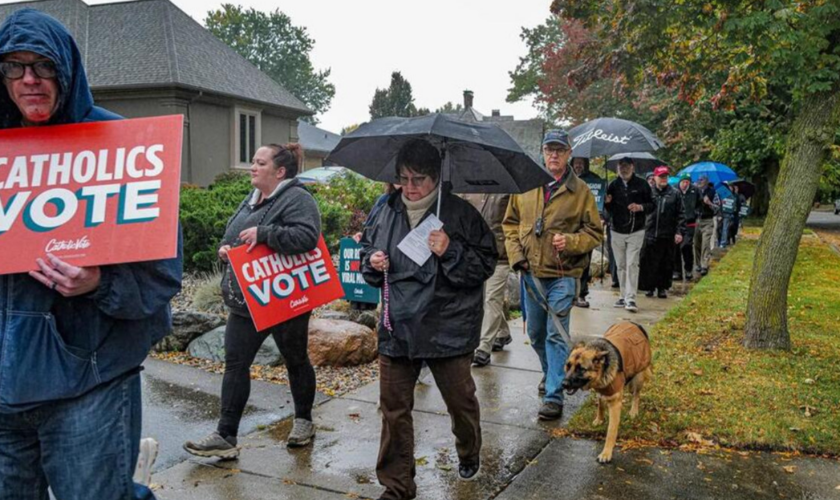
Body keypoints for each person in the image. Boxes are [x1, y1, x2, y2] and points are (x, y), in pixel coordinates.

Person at [0, 10, 183, 500]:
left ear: (67, 70)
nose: (29, 79)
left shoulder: (123, 145)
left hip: (89, 384)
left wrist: (100, 282)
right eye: (14, 67)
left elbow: (163, 275)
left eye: (42, 65)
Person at [361, 139, 497, 499]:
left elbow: (485, 264)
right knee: (393, 410)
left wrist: (450, 249)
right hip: (397, 325)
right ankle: (398, 486)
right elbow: (366, 255)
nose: (410, 187)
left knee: (460, 401)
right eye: (404, 178)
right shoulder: (384, 209)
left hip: (447, 326)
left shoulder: (460, 214)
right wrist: (372, 262)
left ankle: (468, 449)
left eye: (418, 179)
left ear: (436, 178)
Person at [184, 143, 322, 458]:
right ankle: (226, 436)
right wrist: (225, 248)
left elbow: (307, 237)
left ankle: (303, 420)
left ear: (280, 171)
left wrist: (265, 234)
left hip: (283, 298)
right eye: (254, 162)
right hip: (247, 299)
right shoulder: (253, 197)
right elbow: (235, 232)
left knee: (296, 359)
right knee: (236, 363)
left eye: (260, 163)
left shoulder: (298, 199)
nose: (253, 167)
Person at [503, 130, 603, 421]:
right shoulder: (525, 186)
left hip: (564, 275)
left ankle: (554, 395)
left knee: (555, 334)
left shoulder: (580, 191)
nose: (554, 155)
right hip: (531, 273)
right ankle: (552, 373)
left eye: (560, 150)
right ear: (543, 152)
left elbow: (595, 232)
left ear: (569, 153)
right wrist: (517, 256)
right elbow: (509, 224)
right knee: (535, 333)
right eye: (549, 150)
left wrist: (570, 242)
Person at [462, 192, 512, 366]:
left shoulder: (507, 190)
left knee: (492, 298)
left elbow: (514, 220)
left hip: (500, 254)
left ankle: (483, 348)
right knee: (485, 299)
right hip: (475, 253)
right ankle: (503, 332)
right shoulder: (467, 190)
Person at [605, 157, 653, 312]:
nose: (623, 169)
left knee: (632, 263)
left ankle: (631, 298)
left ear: (632, 167)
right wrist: (607, 202)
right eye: (620, 166)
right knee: (620, 265)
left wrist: (640, 207)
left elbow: (652, 205)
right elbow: (608, 210)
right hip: (616, 230)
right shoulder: (612, 185)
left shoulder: (642, 184)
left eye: (626, 166)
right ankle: (623, 295)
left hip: (636, 230)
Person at [639, 167, 686, 298]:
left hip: (667, 234)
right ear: (655, 178)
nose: (663, 179)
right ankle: (649, 287)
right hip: (650, 232)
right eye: (661, 176)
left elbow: (681, 214)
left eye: (665, 176)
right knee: (649, 262)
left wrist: (679, 232)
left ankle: (662, 287)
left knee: (665, 263)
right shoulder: (649, 193)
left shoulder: (675, 194)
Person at [571, 157, 606, 308]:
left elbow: (600, 203)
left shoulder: (595, 180)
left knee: (584, 262)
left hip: (587, 226)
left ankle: (581, 294)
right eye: (576, 163)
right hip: (568, 227)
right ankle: (570, 293)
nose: (578, 165)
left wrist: (605, 202)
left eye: (581, 163)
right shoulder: (566, 178)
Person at [673, 174, 699, 281]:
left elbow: (700, 204)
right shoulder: (674, 190)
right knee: (676, 247)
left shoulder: (695, 190)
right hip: (677, 223)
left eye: (687, 182)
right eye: (683, 182)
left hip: (690, 223)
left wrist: (695, 213)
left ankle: (688, 269)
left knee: (686, 246)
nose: (685, 184)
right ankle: (677, 271)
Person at [693, 175, 718, 276]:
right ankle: (698, 264)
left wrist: (709, 203)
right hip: (697, 220)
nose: (700, 181)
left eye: (702, 180)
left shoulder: (713, 192)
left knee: (705, 243)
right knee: (696, 244)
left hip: (707, 220)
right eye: (698, 180)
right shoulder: (695, 191)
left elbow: (717, 208)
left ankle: (704, 265)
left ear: (707, 181)